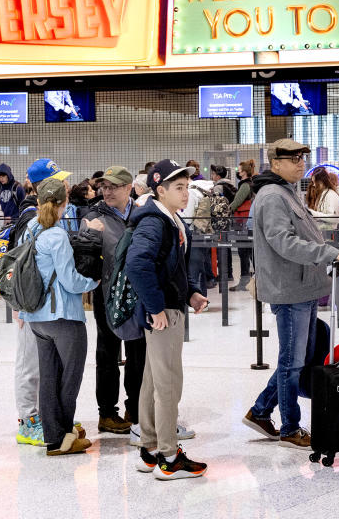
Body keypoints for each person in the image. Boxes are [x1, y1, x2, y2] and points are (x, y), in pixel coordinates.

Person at [242, 139, 339, 450]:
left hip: (300, 286)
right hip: (289, 290)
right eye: (292, 159)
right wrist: (327, 253)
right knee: (292, 361)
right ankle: (290, 427)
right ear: (275, 164)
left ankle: (261, 411)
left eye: (302, 158)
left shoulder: (285, 192)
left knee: (297, 358)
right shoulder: (272, 197)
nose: (300, 164)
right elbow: (283, 242)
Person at [125, 160, 209, 479]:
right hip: (162, 314)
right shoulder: (154, 221)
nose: (185, 193)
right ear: (160, 190)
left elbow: (172, 269)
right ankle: (169, 456)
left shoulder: (170, 219)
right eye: (178, 187)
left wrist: (191, 293)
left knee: (153, 380)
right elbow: (138, 265)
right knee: (169, 383)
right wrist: (157, 307)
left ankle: (149, 449)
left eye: (187, 186)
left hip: (169, 306)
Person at [20, 177, 101, 456]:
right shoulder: (56, 236)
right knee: (70, 378)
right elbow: (70, 281)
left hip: (36, 317)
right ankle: (65, 436)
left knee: (49, 377)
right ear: (64, 204)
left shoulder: (29, 229)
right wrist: (93, 282)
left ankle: (52, 436)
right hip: (63, 317)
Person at [8, 158, 67, 447]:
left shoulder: (50, 214)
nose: (65, 184)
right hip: (30, 303)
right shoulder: (29, 217)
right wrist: (20, 304)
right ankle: (27, 421)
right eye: (58, 179)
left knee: (46, 363)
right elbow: (20, 263)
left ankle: (46, 414)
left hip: (46, 304)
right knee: (29, 363)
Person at [80, 166, 142, 436]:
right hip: (107, 296)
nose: (107, 191)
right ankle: (106, 413)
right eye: (104, 186)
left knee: (138, 353)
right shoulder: (93, 216)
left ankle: (136, 408)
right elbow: (84, 262)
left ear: (129, 188)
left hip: (138, 295)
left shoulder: (142, 213)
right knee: (107, 354)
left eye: (114, 186)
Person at [228, 159, 256, 292]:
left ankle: (245, 281)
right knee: (249, 251)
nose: (237, 171)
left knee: (243, 251)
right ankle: (253, 280)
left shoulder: (245, 185)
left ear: (244, 171)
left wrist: (227, 210)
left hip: (242, 221)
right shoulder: (251, 184)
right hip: (247, 221)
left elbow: (237, 201)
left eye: (239, 169)